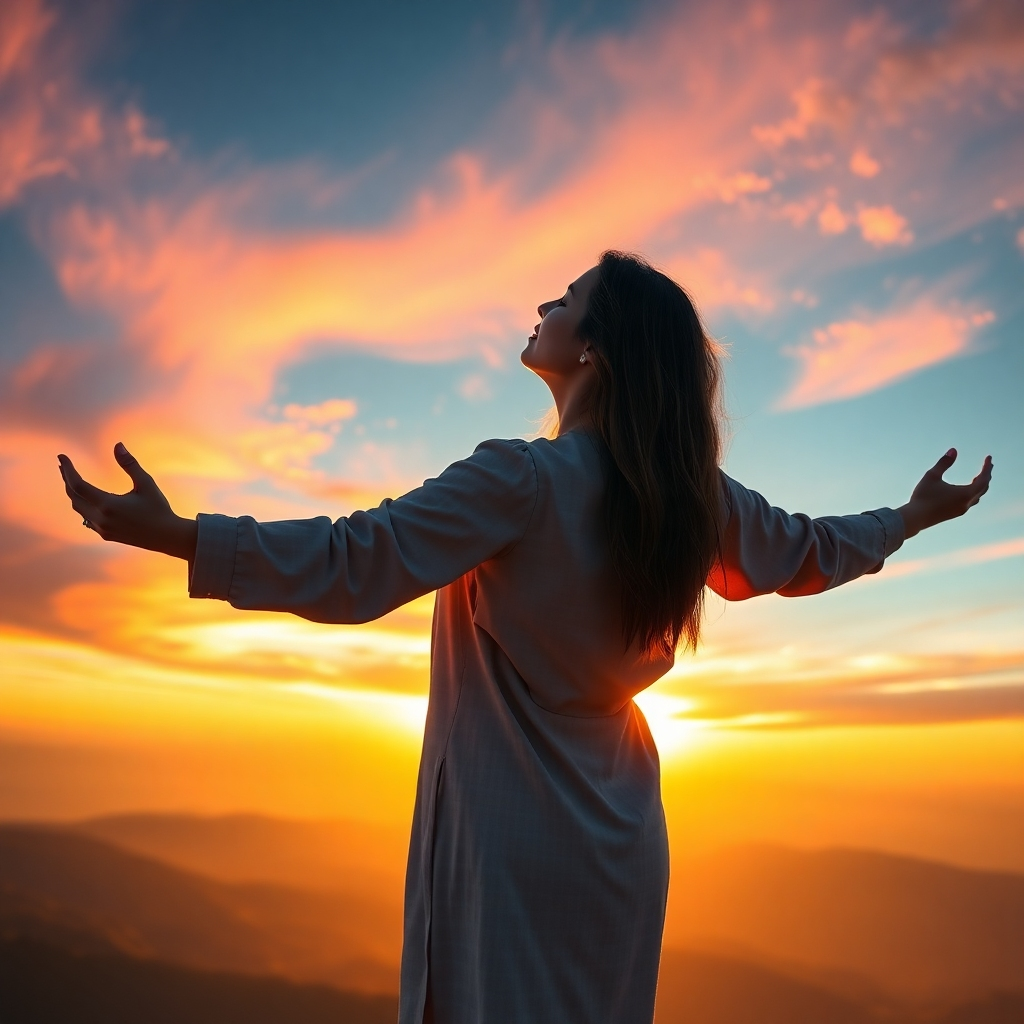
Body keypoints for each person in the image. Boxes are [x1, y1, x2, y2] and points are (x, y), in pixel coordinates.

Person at [58, 251, 993, 1024]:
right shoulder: (693, 499)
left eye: (567, 298)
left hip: (505, 848)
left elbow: (354, 561)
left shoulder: (521, 480)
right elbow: (811, 550)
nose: (544, 306)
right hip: (618, 842)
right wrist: (913, 516)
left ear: (595, 349)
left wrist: (179, 535)